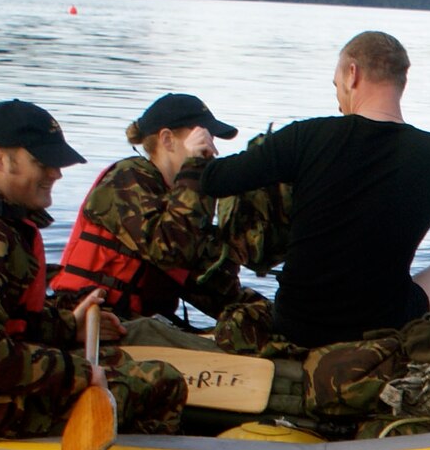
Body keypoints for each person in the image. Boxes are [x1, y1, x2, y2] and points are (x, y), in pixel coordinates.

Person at [0, 100, 187, 441]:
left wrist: (67, 327)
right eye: (43, 163)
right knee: (162, 382)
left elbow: (4, 319)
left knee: (113, 358)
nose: (56, 173)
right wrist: (78, 374)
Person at [194, 31, 430, 349]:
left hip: (296, 322)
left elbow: (216, 180)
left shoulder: (305, 137)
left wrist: (196, 154)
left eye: (336, 85)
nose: (338, 99)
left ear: (352, 74)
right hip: (383, 323)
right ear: (401, 80)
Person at [47, 92, 269, 337]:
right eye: (203, 140)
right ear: (167, 139)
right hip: (91, 322)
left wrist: (270, 313)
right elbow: (171, 250)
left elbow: (210, 284)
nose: (212, 151)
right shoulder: (126, 179)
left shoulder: (181, 198)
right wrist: (195, 167)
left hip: (130, 324)